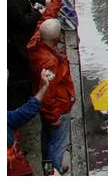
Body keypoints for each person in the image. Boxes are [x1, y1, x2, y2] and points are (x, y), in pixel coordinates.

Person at [27, 18, 75, 175]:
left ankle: (49, 169)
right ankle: (54, 172)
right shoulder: (50, 62)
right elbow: (48, 93)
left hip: (48, 109)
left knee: (47, 142)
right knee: (56, 145)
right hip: (58, 108)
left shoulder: (35, 45)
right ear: (56, 38)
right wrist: (54, 115)